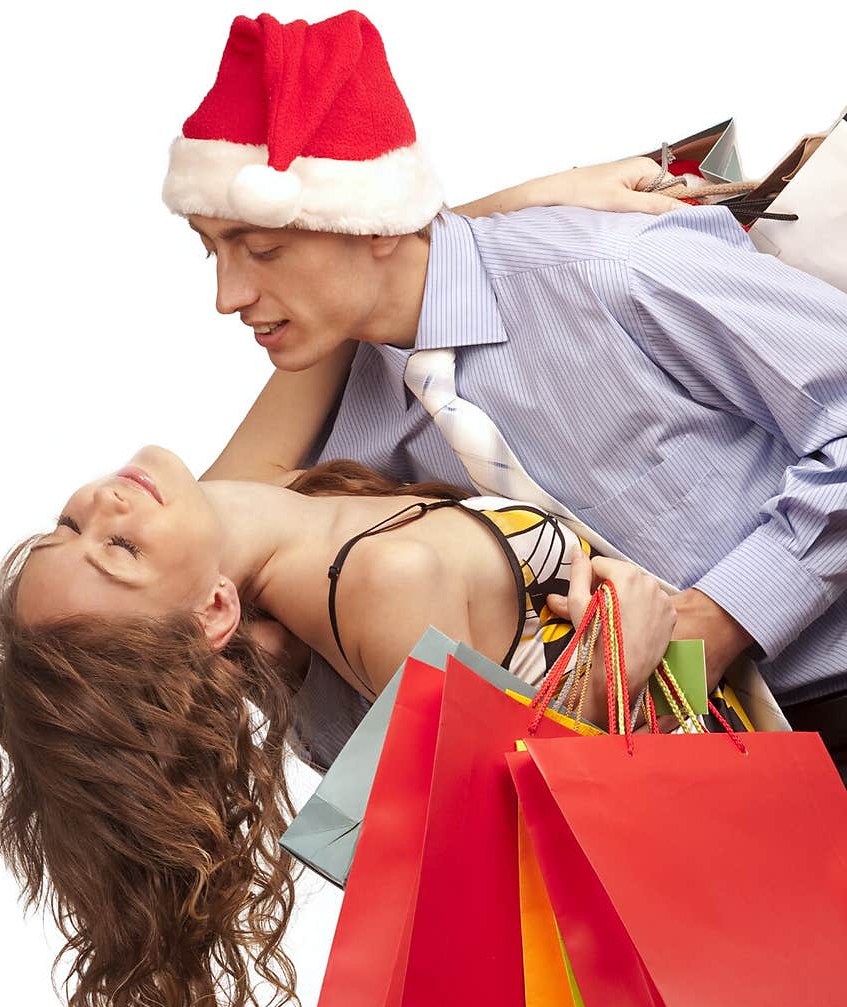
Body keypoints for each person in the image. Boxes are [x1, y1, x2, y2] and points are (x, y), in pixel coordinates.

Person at [0, 446, 678, 1007]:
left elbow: (318, 353)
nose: (104, 505)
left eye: (68, 524)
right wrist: (617, 670)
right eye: (121, 551)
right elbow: (515, 869)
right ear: (211, 614)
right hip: (691, 864)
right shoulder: (383, 587)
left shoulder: (235, 520)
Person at [160, 10, 846, 795]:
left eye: (264, 248)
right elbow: (398, 763)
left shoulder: (613, 269)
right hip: (668, 801)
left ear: (372, 222)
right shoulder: (341, 470)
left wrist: (721, 618)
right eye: (211, 250)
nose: (227, 296)